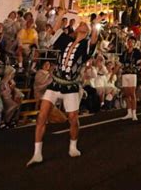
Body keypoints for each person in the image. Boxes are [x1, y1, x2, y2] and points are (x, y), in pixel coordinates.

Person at [26, 9, 99, 166]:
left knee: (73, 119)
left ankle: (73, 146)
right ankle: (37, 153)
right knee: (42, 116)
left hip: (71, 86)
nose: (82, 24)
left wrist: (96, 24)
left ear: (86, 32)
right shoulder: (65, 40)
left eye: (85, 25)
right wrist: (61, 14)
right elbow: (55, 29)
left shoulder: (86, 46)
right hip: (55, 83)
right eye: (81, 23)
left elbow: (94, 39)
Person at [119, 35, 141, 121]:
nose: (130, 43)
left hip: (133, 73)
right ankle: (129, 112)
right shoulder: (124, 53)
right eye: (128, 41)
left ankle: (134, 113)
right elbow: (120, 64)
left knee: (132, 94)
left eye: (131, 42)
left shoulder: (137, 52)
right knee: (126, 94)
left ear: (134, 43)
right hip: (125, 73)